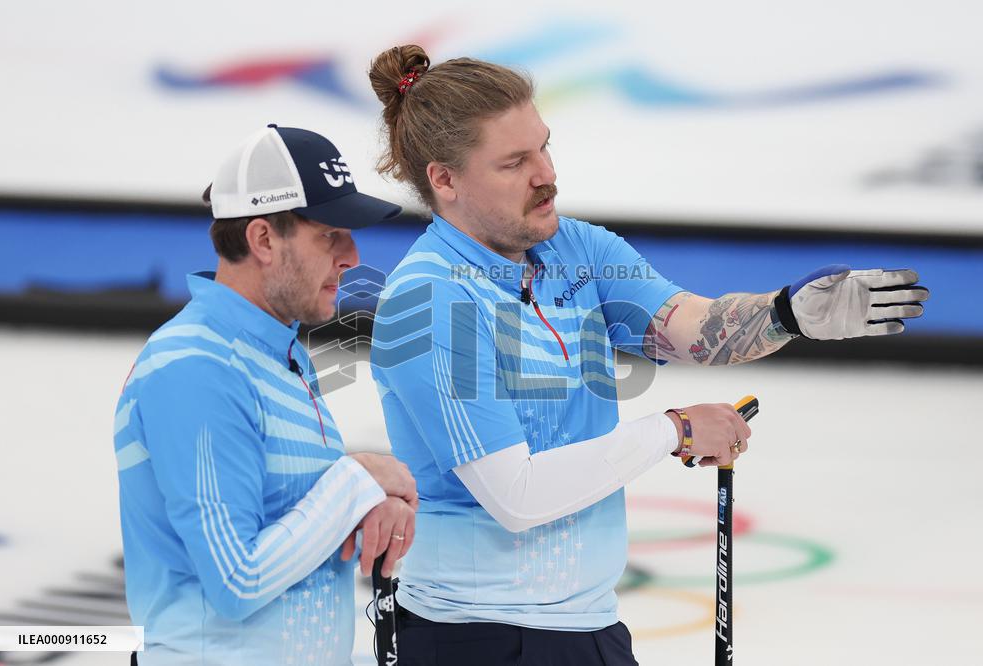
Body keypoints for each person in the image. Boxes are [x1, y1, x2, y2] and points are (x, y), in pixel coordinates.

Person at [365, 46, 929, 665]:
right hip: (479, 634)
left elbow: (694, 326)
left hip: (590, 623)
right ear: (444, 179)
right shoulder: (432, 299)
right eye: (514, 162)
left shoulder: (574, 247)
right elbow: (517, 496)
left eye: (545, 146)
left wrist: (785, 315)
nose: (545, 174)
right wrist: (675, 431)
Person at [113, 124, 418, 666]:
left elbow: (290, 521)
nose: (352, 255)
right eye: (331, 234)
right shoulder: (195, 366)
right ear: (262, 239)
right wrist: (355, 481)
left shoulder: (277, 354)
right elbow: (237, 580)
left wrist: (365, 505)